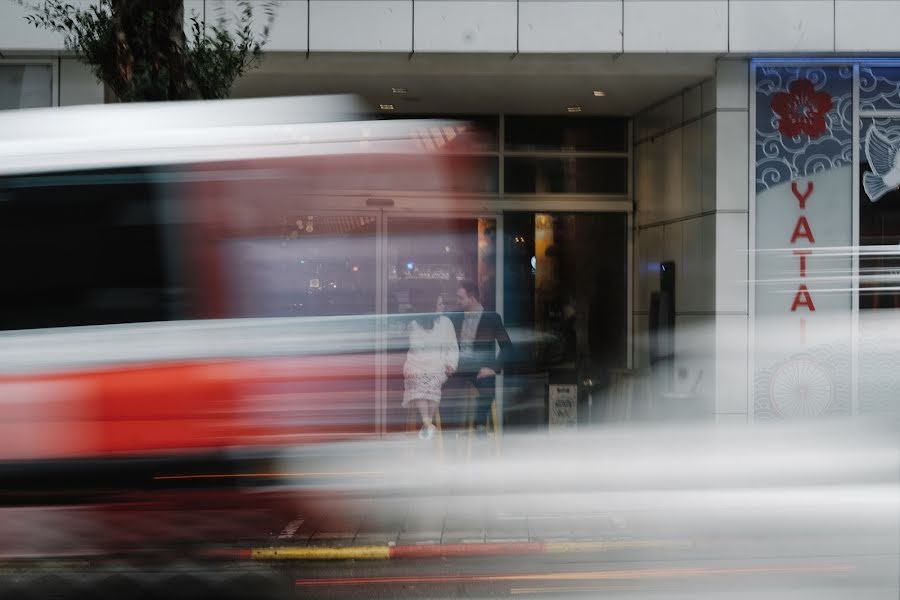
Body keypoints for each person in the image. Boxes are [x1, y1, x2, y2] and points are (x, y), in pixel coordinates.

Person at [451, 280, 512, 436]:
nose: (457, 301)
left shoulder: (492, 318)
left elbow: (507, 347)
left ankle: (479, 426)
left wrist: (493, 368)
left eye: (460, 298)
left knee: (488, 390)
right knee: (442, 390)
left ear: (472, 298)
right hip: (458, 368)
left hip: (480, 369)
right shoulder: (456, 318)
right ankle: (449, 432)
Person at [402, 287, 459, 440]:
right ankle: (428, 424)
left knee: (433, 383)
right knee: (417, 381)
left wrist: (451, 364)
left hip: (438, 366)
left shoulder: (446, 323)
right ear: (431, 306)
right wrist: (413, 369)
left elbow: (452, 347)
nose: (443, 307)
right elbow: (415, 349)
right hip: (417, 364)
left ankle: (426, 424)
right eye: (440, 304)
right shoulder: (414, 324)